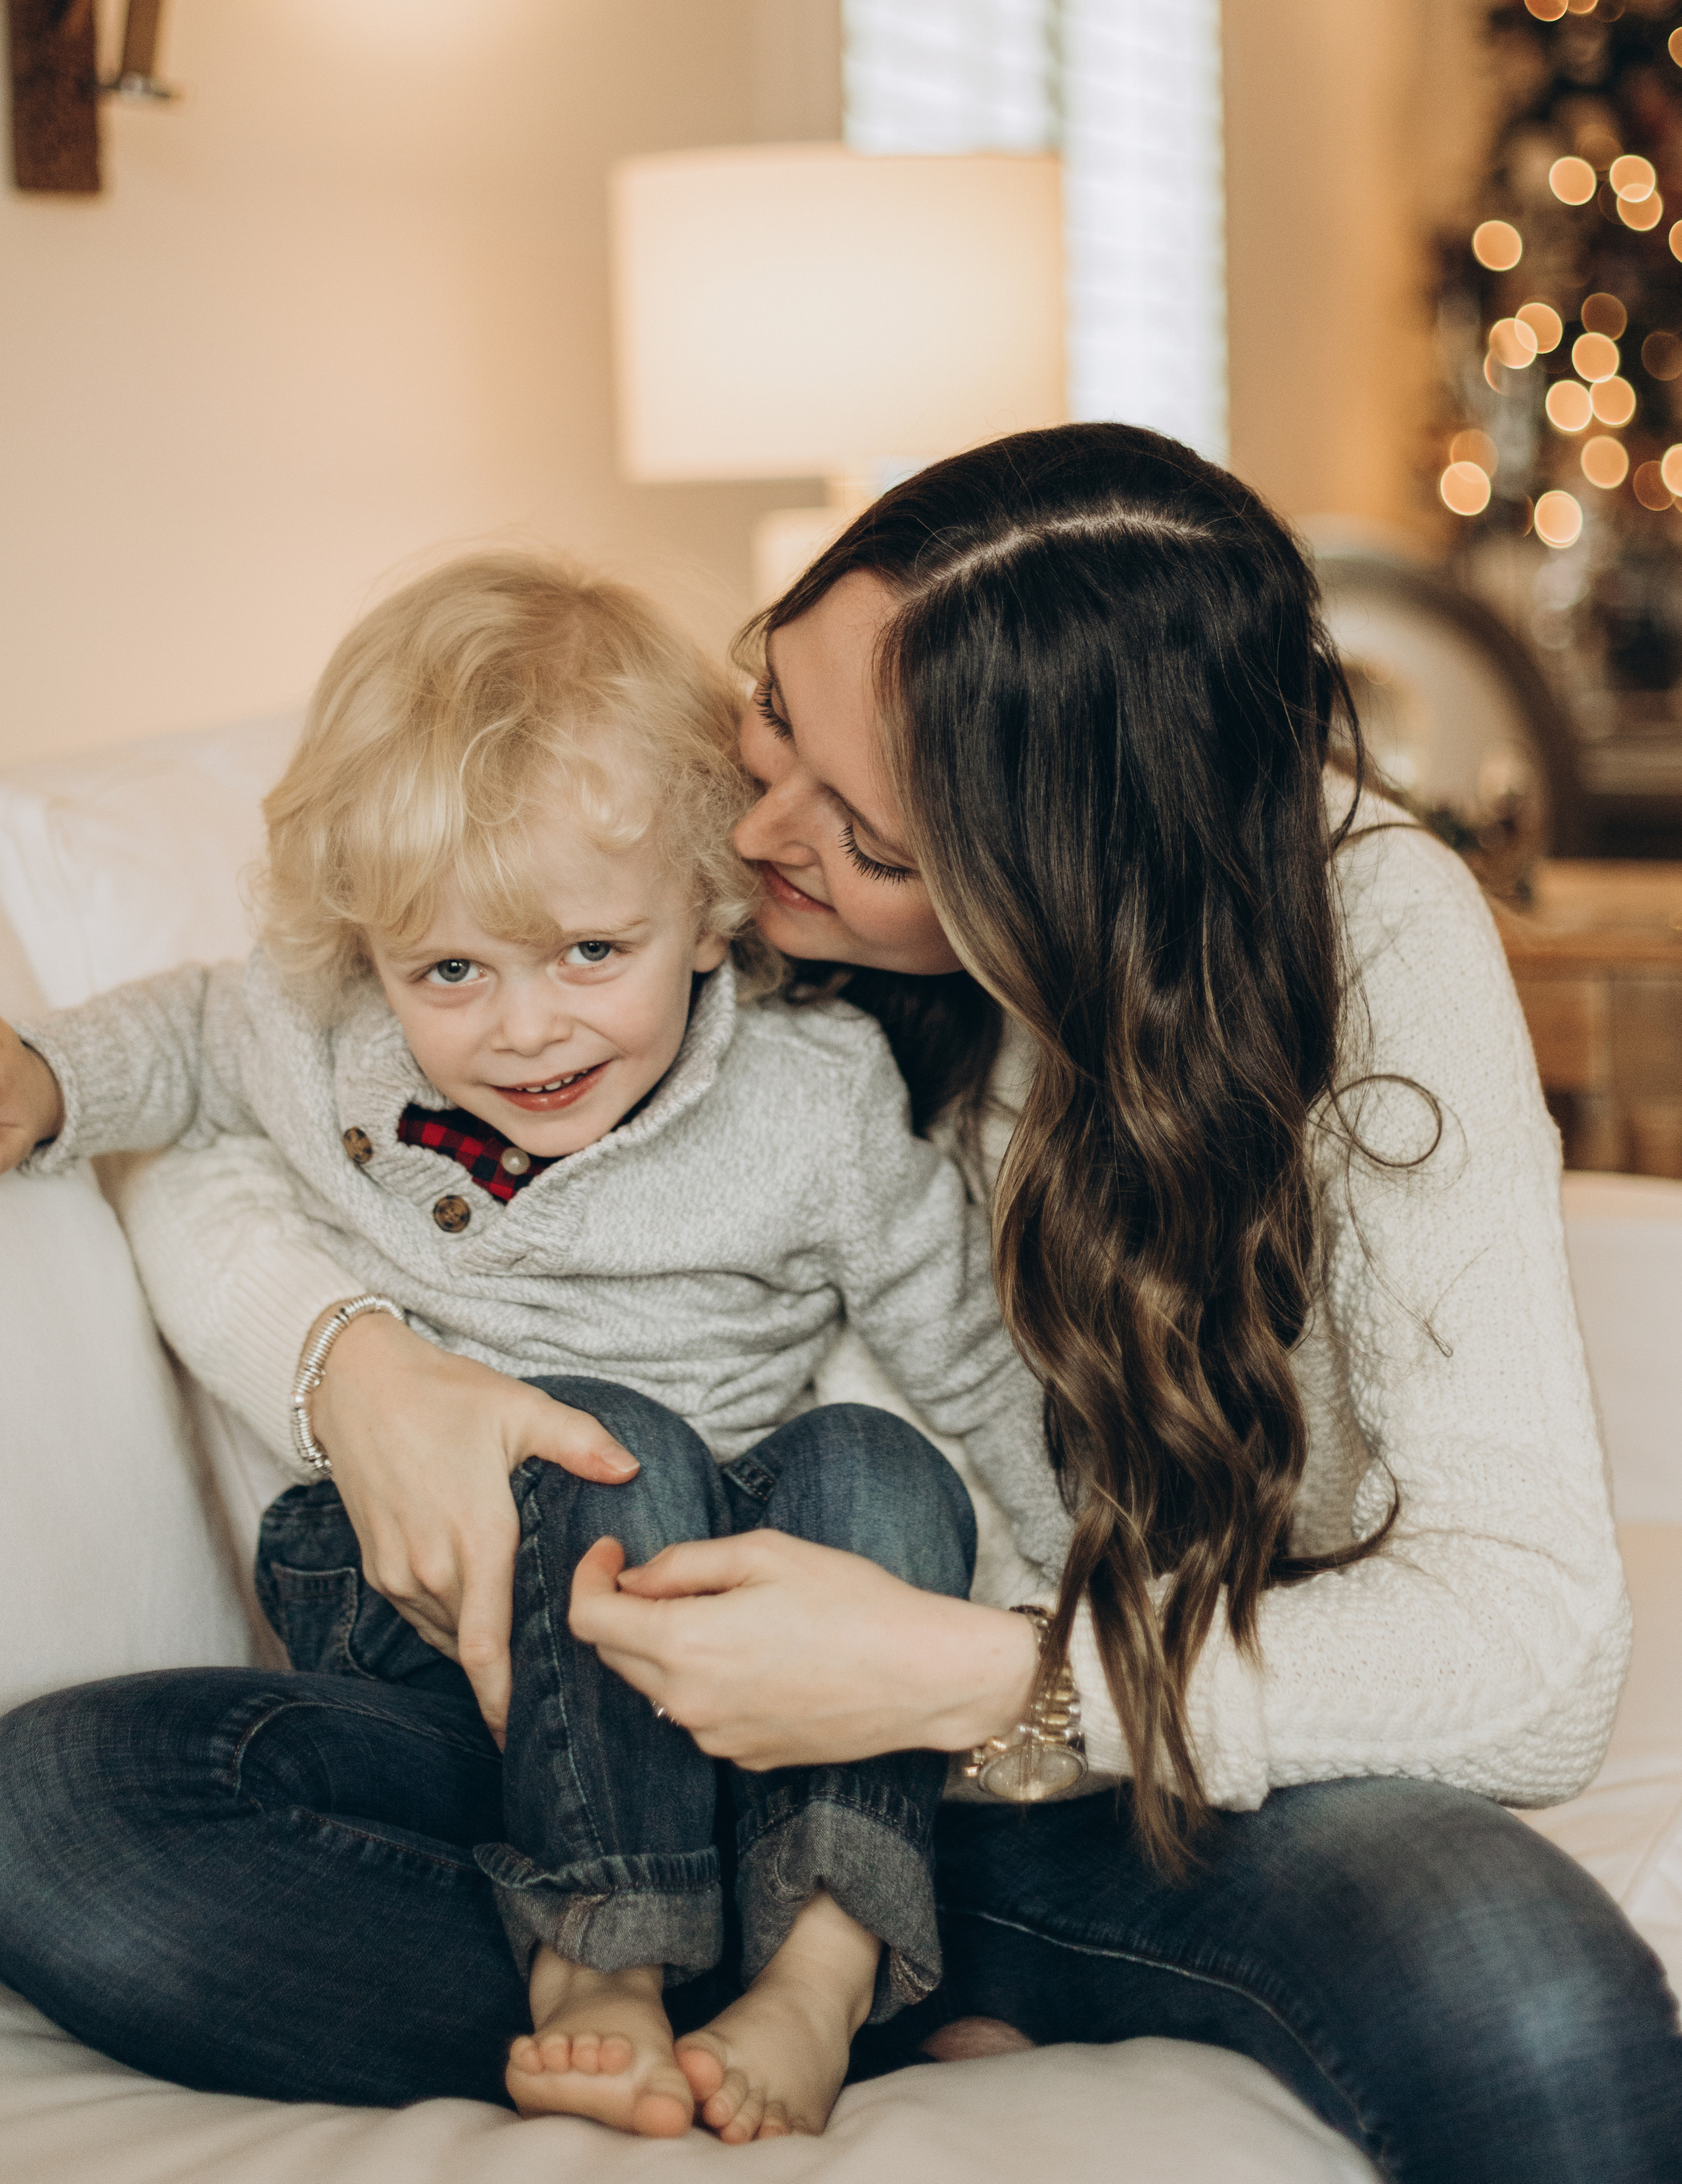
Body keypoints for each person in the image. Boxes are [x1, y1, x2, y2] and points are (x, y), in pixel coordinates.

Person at [1, 426, 1679, 2181]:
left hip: (1068, 1764)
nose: (760, 832)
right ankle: (677, 1968)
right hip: (589, 1746)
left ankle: (840, 1961)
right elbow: (234, 1092)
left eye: (868, 835)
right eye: (776, 717)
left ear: (1054, 880)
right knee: (68, 1816)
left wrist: (972, 1680)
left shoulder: (1366, 932)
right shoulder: (658, 870)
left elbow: (1534, 1654)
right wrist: (355, 1371)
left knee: (1527, 1999)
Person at [0, 552, 1068, 2143]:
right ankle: (601, 1953)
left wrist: (1065, 1606)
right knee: (586, 1430)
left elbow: (970, 1362)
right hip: (433, 1619)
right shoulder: (308, 1030)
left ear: (710, 912)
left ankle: (820, 1966)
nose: (527, 1029)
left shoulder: (817, 1100)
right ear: (367, 953)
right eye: (451, 972)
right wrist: (47, 1079)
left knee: (877, 1463)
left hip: (729, 1644)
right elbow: (176, 1040)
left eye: (588, 954)